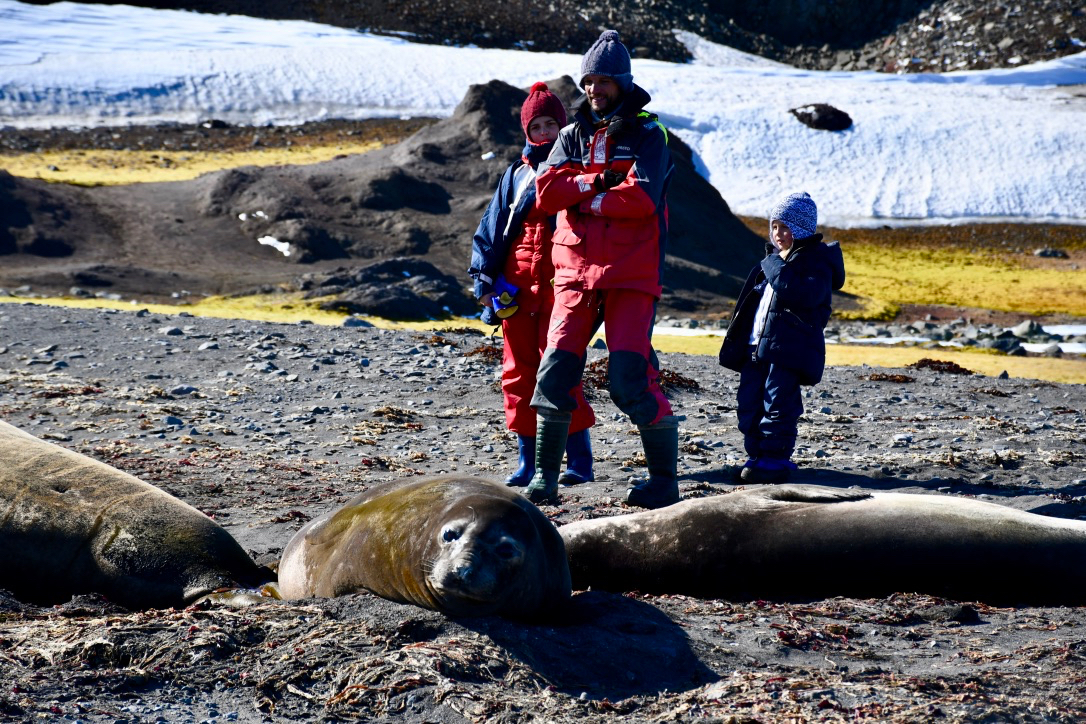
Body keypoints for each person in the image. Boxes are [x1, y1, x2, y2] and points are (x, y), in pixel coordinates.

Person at [527, 30, 678, 509]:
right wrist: (597, 183)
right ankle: (545, 480)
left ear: (623, 83)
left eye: (604, 81)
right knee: (554, 375)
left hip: (630, 274)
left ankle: (664, 482)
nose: (594, 89)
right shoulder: (570, 135)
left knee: (629, 379)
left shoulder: (649, 134)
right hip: (574, 270)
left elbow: (641, 198)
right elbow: (545, 194)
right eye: (589, 81)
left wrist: (579, 195)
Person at [468, 82, 596, 488]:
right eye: (536, 126)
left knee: (560, 371)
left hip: (563, 290)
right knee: (517, 374)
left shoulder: (579, 171)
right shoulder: (516, 175)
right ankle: (529, 461)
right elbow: (491, 229)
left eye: (550, 125)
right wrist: (484, 282)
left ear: (563, 127)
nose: (544, 133)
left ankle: (580, 460)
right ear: (527, 131)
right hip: (516, 292)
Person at [717, 192, 846, 483]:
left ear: (801, 228)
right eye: (774, 226)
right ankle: (756, 455)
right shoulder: (772, 263)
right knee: (748, 402)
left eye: (785, 227)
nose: (778, 233)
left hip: (789, 349)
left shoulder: (815, 261)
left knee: (779, 403)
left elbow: (802, 294)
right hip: (757, 346)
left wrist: (773, 263)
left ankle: (775, 459)